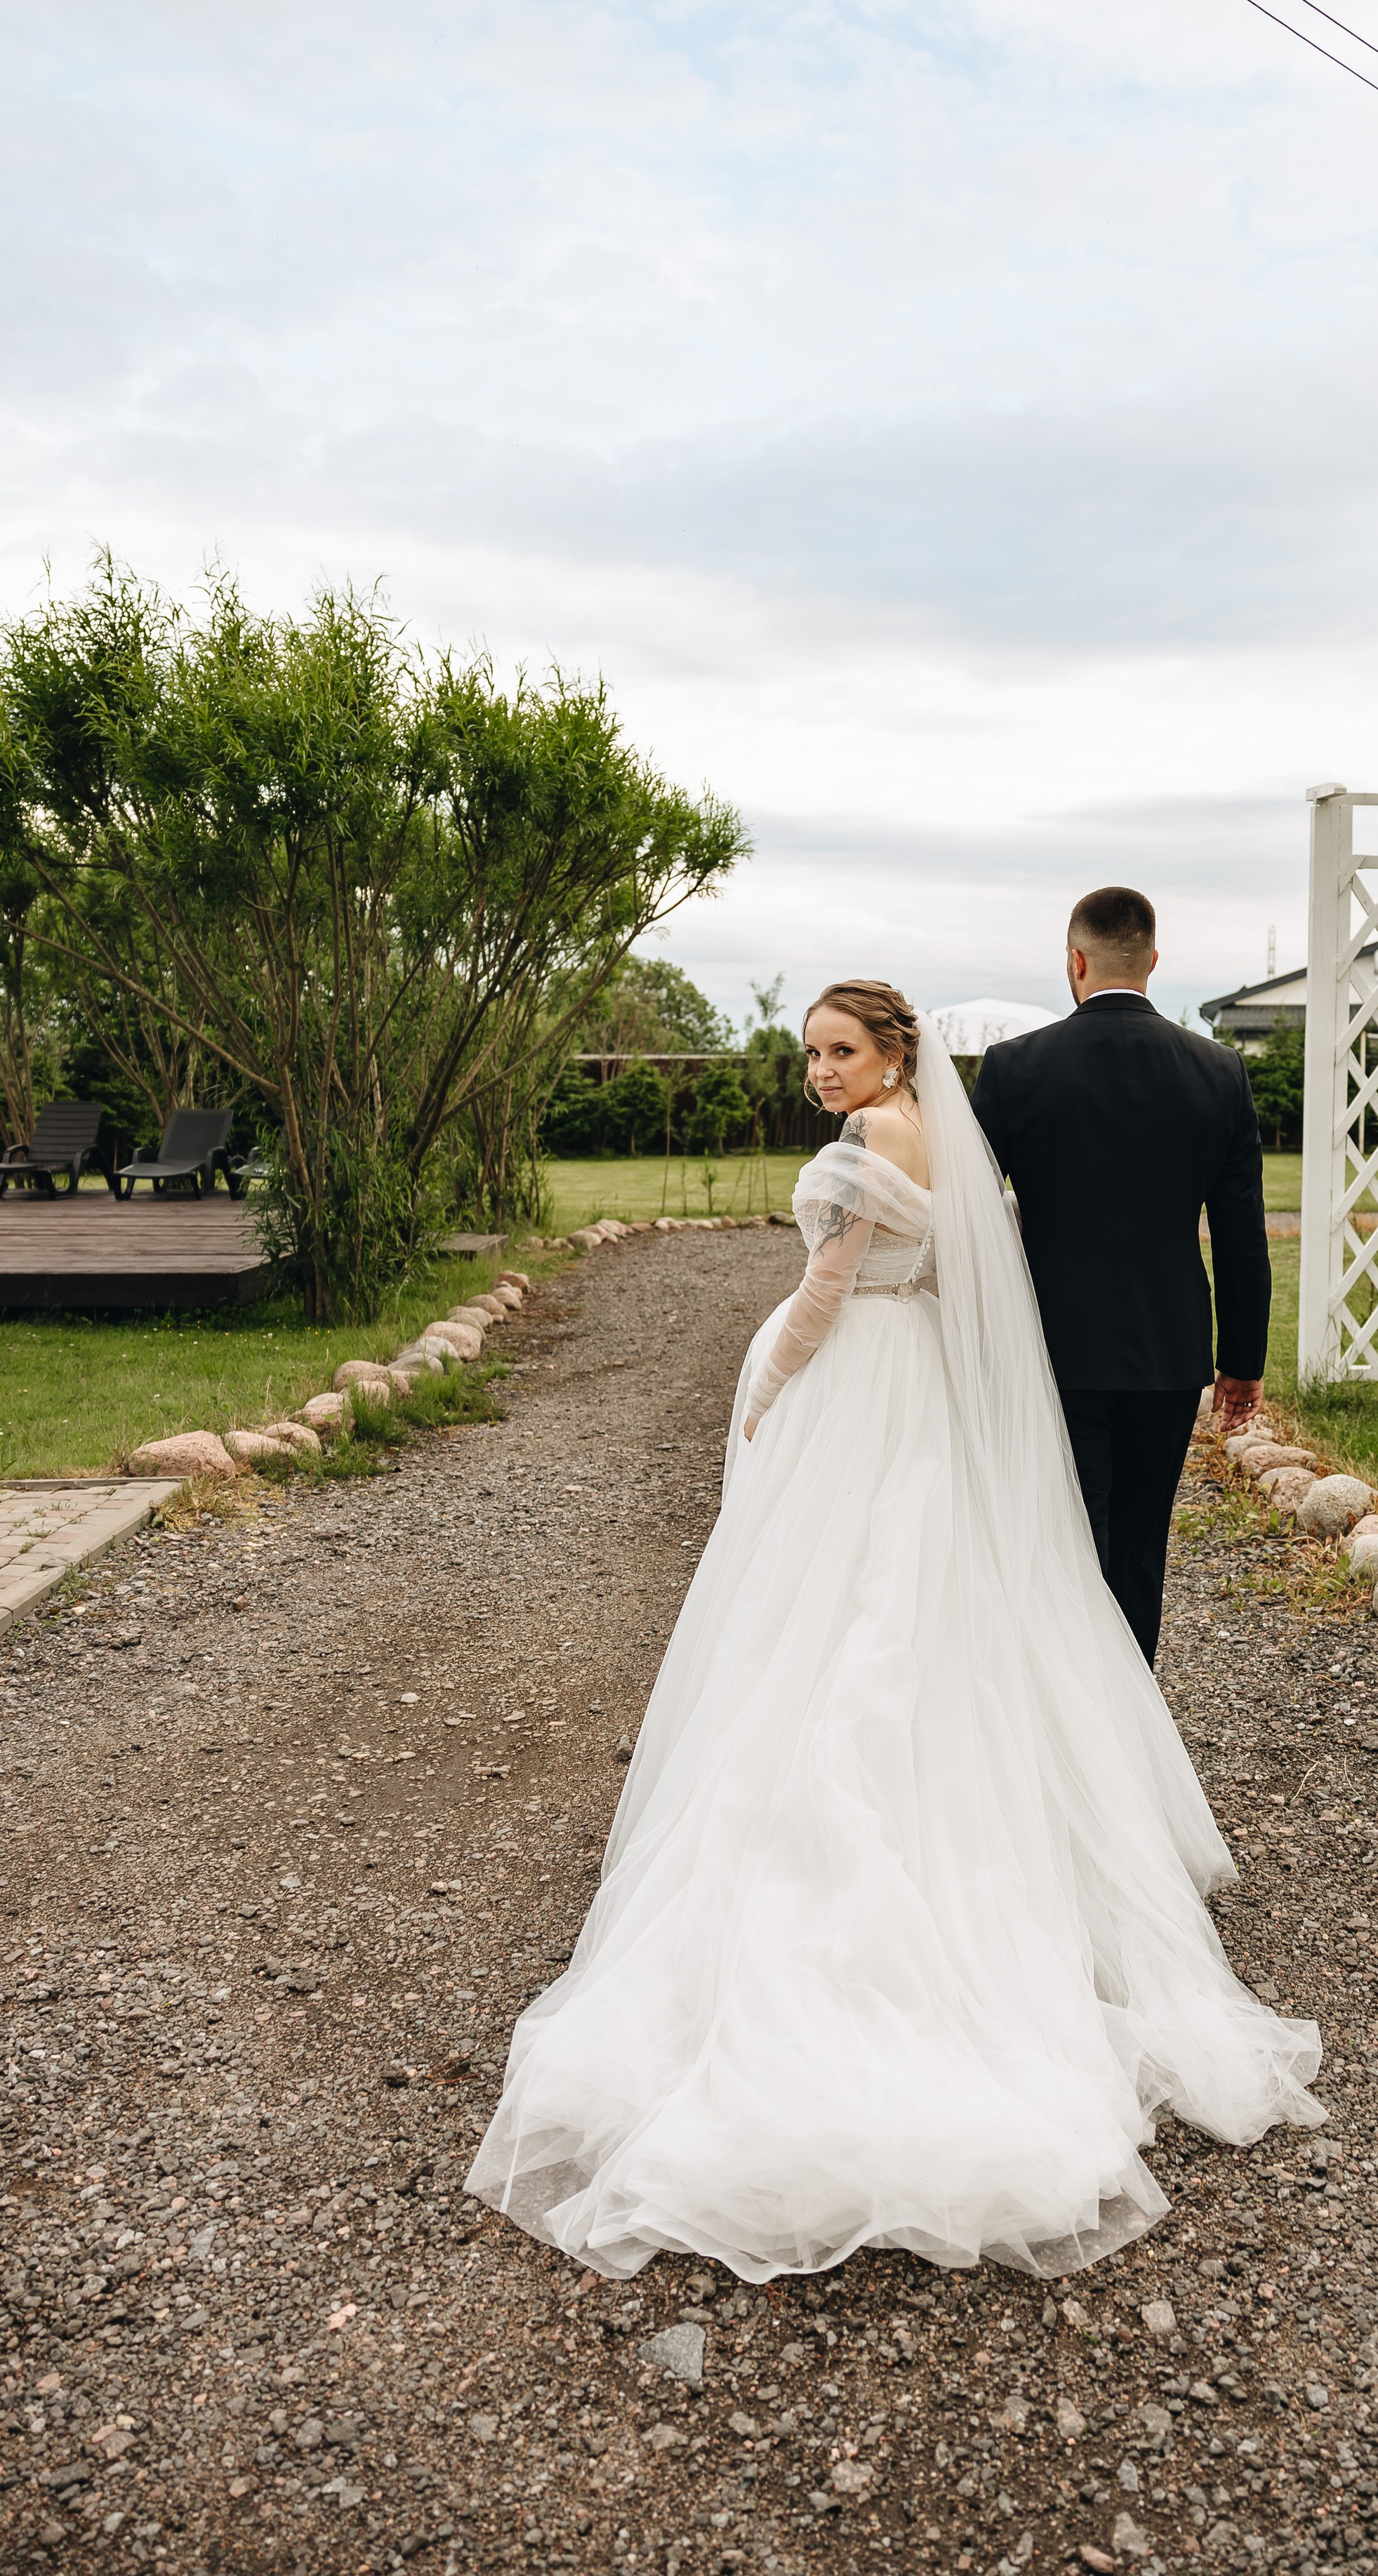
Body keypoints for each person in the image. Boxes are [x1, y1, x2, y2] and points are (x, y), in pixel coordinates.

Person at [465, 979, 1321, 2285]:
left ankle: (830, 1889)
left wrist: (765, 1386)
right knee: (921, 1614)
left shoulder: (876, 1137)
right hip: (915, 1384)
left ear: (891, 1053)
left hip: (857, 1385)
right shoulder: (929, 1129)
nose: (821, 1071)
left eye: (840, 1050)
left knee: (836, 1617)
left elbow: (827, 1285)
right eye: (811, 1052)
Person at [971, 887, 1269, 1668]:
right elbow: (1241, 1236)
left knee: (1057, 1544)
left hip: (1046, 1350)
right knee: (1139, 1549)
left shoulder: (1013, 1068)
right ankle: (1130, 1713)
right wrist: (1242, 1362)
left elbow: (967, 1215)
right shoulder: (1220, 1071)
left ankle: (1062, 1710)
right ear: (1152, 962)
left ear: (1076, 961)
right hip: (1167, 1355)